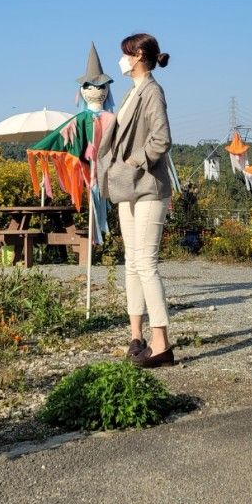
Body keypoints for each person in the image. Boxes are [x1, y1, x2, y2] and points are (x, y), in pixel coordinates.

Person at [98, 32, 175, 367]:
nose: (122, 60)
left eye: (126, 54)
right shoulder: (132, 92)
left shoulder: (152, 91)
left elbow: (162, 139)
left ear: (139, 54)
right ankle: (136, 336)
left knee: (146, 263)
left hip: (147, 187)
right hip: (128, 187)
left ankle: (162, 345)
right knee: (132, 262)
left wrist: (133, 162)